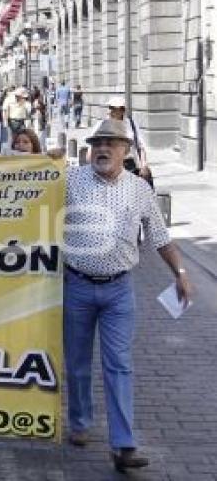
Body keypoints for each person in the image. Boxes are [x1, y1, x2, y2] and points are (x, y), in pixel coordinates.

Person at [63, 119, 192, 472]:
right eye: (97, 143)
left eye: (111, 143)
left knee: (119, 365)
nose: (102, 149)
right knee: (76, 363)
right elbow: (32, 200)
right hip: (76, 285)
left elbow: (161, 237)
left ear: (126, 151)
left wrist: (180, 273)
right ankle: (79, 422)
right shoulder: (70, 180)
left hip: (120, 290)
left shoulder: (140, 189)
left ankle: (123, 444)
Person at [95, 97, 151, 183]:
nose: (110, 111)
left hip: (130, 165)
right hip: (110, 166)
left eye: (113, 108)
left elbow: (140, 146)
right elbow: (92, 148)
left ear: (121, 110)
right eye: (109, 107)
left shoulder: (131, 124)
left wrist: (144, 165)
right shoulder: (102, 125)